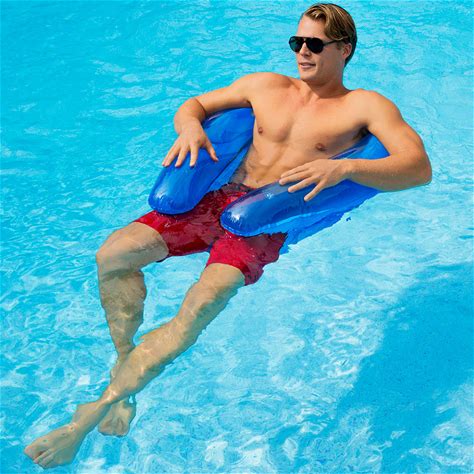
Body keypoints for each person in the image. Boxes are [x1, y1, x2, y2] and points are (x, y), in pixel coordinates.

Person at [24, 3, 431, 468]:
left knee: (200, 304)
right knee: (113, 255)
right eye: (297, 42)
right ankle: (124, 369)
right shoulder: (267, 86)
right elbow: (195, 105)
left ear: (345, 50)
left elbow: (417, 168)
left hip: (266, 220)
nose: (302, 52)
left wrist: (344, 168)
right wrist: (189, 127)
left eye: (315, 45)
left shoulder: (365, 106)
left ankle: (86, 418)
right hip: (218, 201)